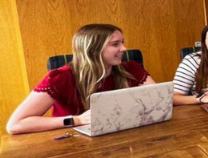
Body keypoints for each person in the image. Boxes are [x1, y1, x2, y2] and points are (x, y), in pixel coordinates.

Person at [6, 24, 157, 135]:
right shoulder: (61, 77)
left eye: (122, 42)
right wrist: (76, 120)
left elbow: (158, 99)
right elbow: (15, 125)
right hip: (73, 145)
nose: (124, 49)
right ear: (93, 50)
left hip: (124, 136)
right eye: (115, 44)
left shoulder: (131, 68)